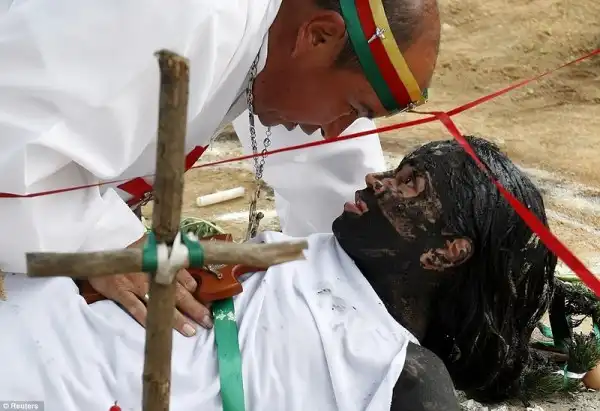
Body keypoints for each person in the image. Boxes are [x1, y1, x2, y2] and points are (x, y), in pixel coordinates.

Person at [0, 137, 556, 410]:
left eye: (410, 184)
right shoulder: (307, 254)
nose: (377, 179)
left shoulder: (403, 375)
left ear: (447, 253)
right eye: (396, 168)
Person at [0, 0, 441, 335]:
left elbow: (329, 169)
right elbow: (11, 142)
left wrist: (366, 278)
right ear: (319, 36)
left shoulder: (285, 34)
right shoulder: (183, 15)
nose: (333, 130)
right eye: (352, 108)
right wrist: (104, 240)